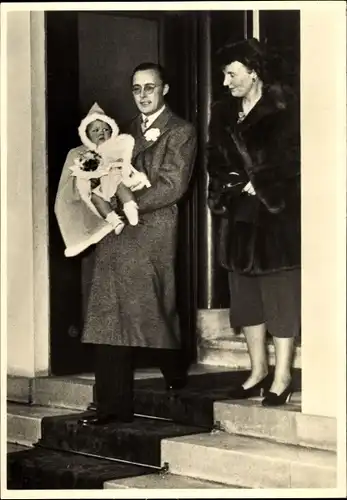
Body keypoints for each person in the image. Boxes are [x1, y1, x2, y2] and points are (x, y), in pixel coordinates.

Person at [78, 62, 197, 425]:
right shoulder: (120, 131)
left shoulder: (181, 131)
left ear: (165, 90)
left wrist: (127, 201)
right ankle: (110, 403)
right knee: (108, 313)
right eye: (136, 89)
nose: (143, 95)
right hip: (117, 232)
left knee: (152, 310)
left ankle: (176, 372)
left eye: (150, 87)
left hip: (153, 231)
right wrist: (103, 199)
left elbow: (173, 186)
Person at [207, 38, 301, 407]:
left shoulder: (285, 106)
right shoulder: (222, 111)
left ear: (254, 71)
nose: (226, 82)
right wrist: (227, 189)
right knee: (246, 301)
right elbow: (214, 161)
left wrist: (256, 182)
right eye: (223, 75)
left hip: (275, 220)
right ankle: (258, 371)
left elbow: (296, 161)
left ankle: (282, 377)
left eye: (232, 74)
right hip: (238, 218)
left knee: (279, 299)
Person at [55, 103, 152, 258]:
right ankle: (114, 220)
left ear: (112, 131)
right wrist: (87, 178)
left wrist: (120, 167)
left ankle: (130, 208)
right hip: (99, 191)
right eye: (95, 130)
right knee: (96, 198)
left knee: (121, 186)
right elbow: (72, 187)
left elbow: (125, 161)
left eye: (106, 129)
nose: (101, 133)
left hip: (115, 179)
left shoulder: (115, 146)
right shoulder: (79, 154)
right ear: (86, 135)